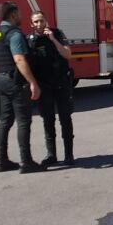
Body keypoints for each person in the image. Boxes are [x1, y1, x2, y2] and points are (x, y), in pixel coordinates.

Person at [0, 1, 42, 174]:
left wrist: (0, 74)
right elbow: (19, 59)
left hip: (1, 80)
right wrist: (32, 82)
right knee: (23, 121)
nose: (20, 16)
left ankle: (1, 161)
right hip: (15, 82)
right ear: (12, 15)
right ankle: (27, 162)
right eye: (18, 13)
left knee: (5, 120)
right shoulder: (15, 34)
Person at [27, 11, 75, 167]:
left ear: (46, 21)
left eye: (41, 21)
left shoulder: (57, 33)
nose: (39, 24)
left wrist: (53, 40)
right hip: (44, 85)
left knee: (65, 118)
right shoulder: (30, 40)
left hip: (61, 83)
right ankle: (51, 154)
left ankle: (69, 154)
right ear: (31, 24)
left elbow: (68, 54)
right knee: (48, 120)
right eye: (36, 22)